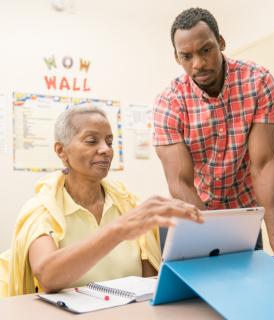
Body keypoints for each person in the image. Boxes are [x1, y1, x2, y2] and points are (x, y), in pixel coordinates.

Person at [0, 105, 203, 297]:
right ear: (61, 151)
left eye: (109, 141)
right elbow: (47, 276)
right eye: (91, 141)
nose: (106, 149)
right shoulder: (42, 209)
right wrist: (117, 230)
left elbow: (149, 281)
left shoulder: (127, 204)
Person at [153, 7, 274, 255]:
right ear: (177, 58)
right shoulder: (169, 102)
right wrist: (211, 241)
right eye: (186, 56)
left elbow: (264, 163)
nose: (198, 64)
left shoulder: (257, 81)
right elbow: (181, 182)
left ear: (220, 42)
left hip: (244, 218)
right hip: (194, 218)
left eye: (205, 50)